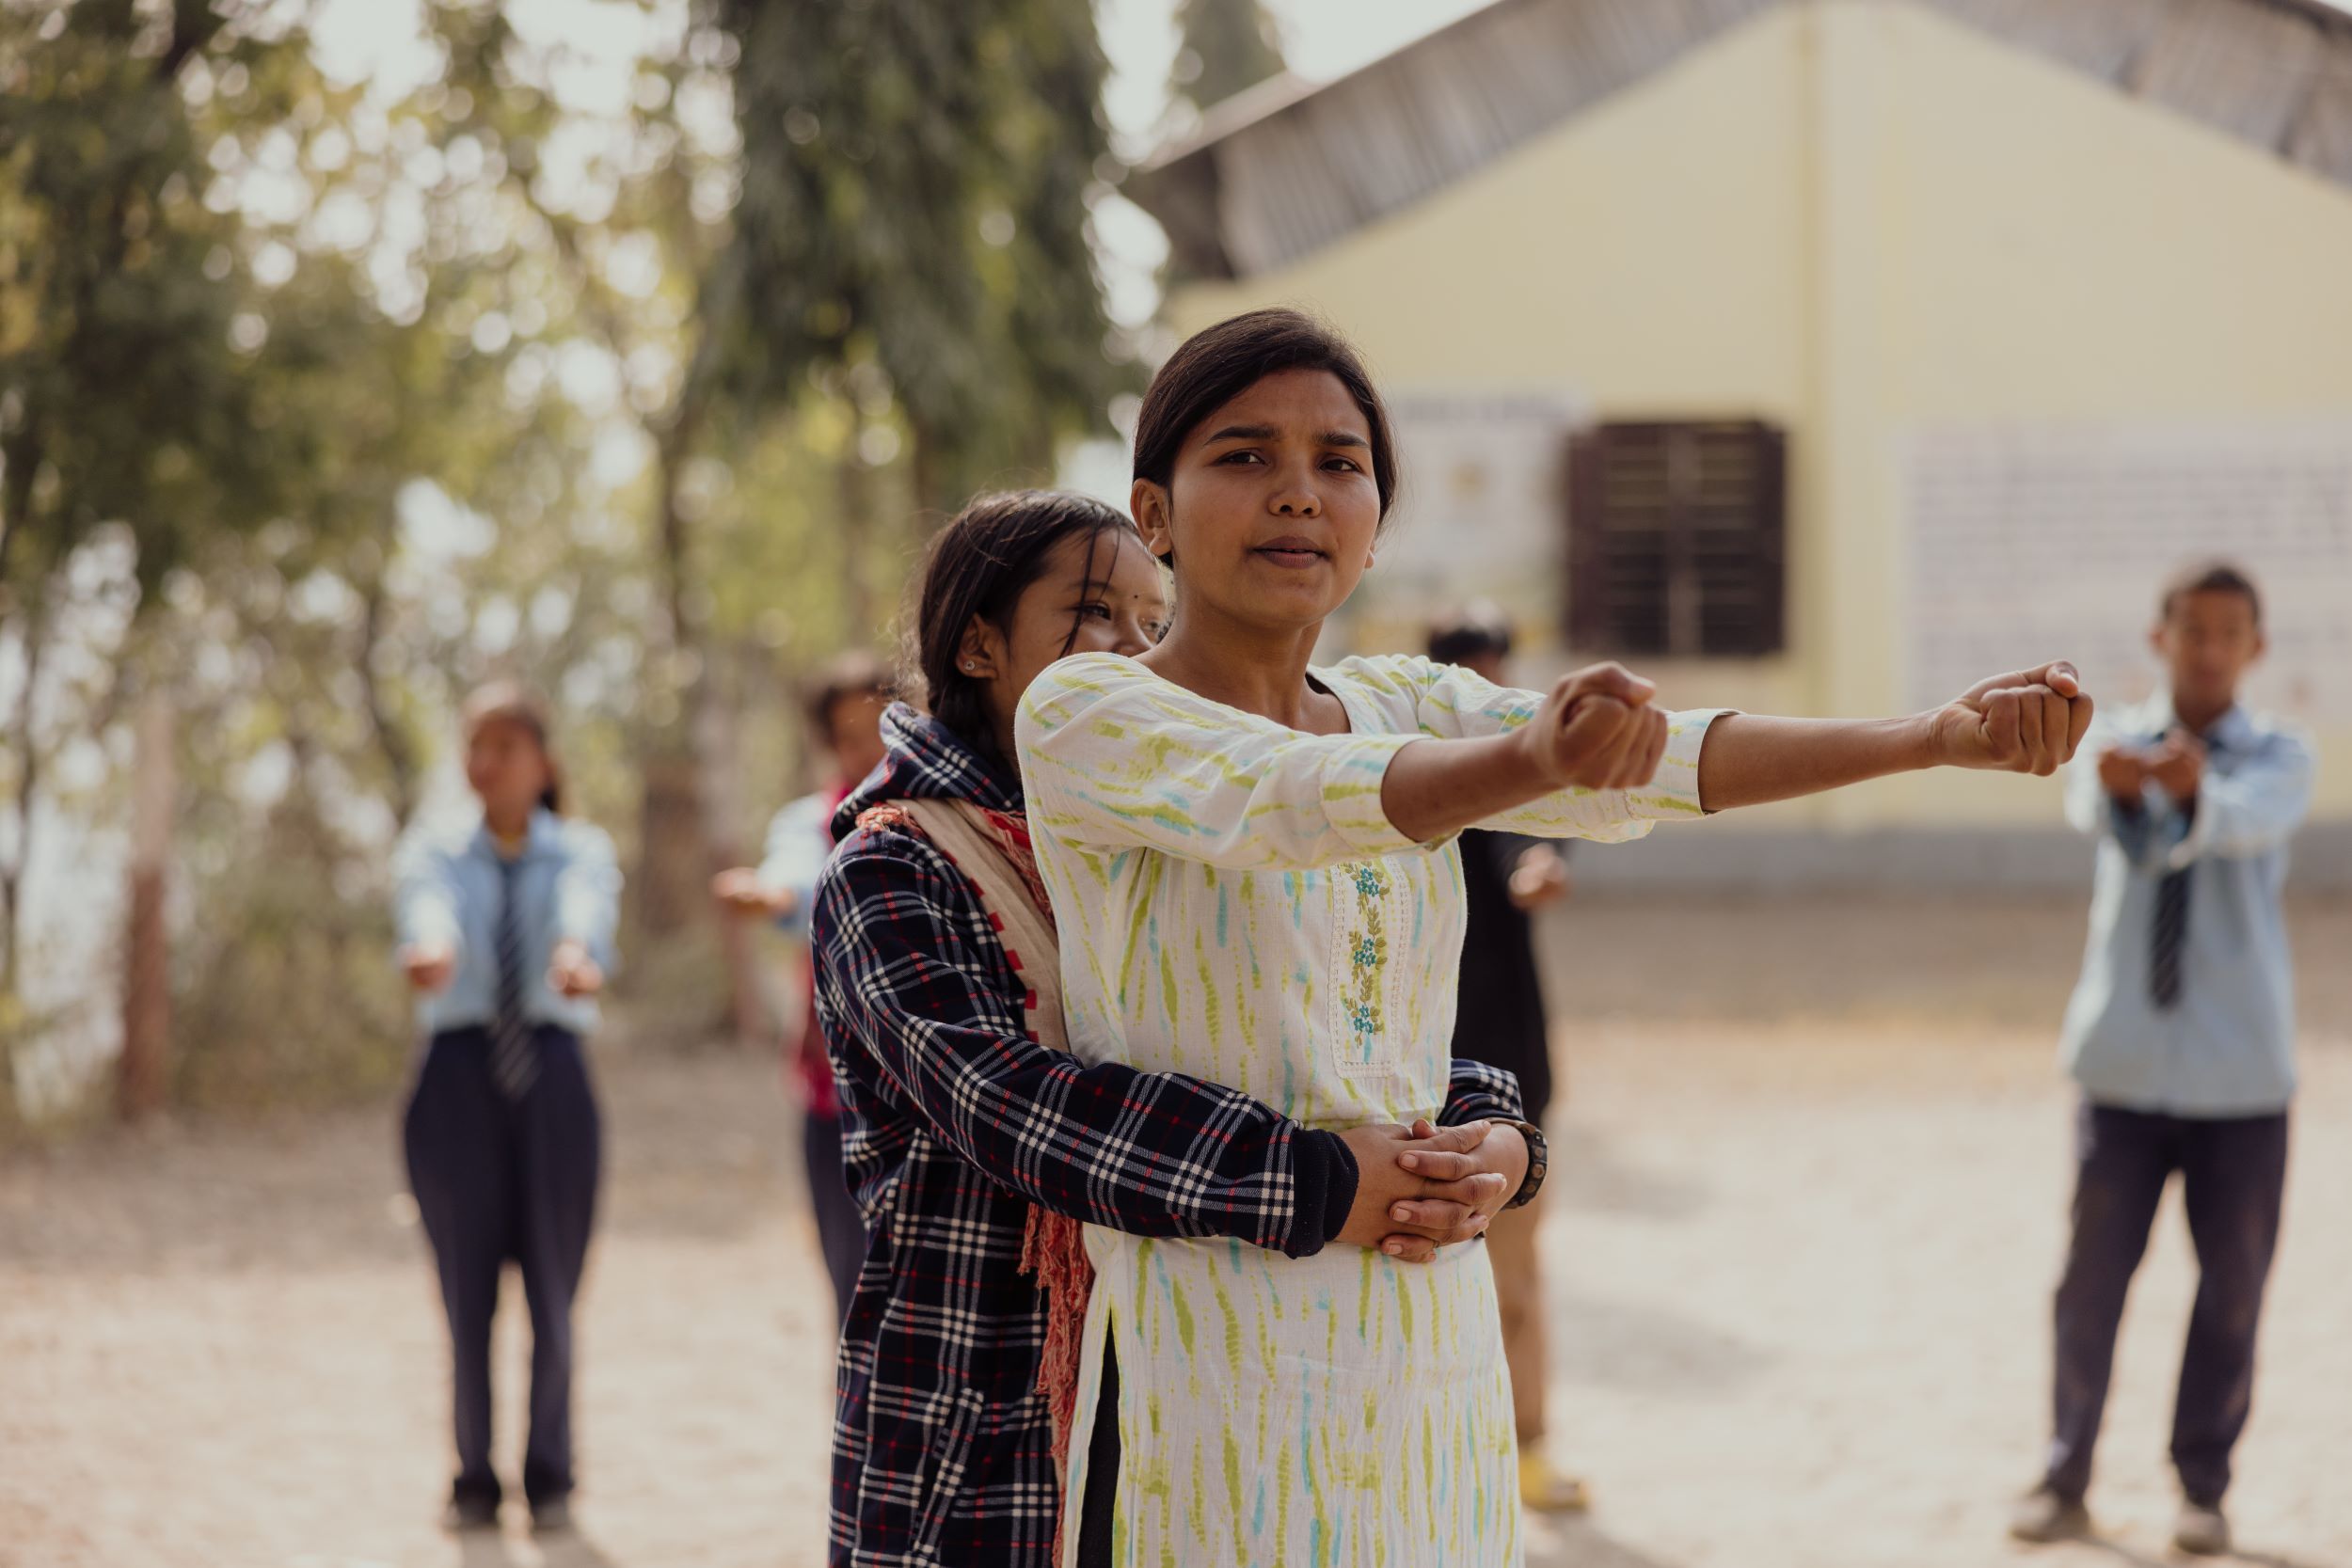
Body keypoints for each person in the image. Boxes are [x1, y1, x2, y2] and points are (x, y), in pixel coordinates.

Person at [1014, 306, 2095, 1567]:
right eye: (1246, 456)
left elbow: (1658, 761)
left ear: (1373, 533)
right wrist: (1530, 754)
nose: (1299, 494)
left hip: (1426, 1358)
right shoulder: (1088, 709)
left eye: (1340, 464)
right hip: (1204, 1374)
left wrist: (1930, 736)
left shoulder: (1406, 699)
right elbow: (1290, 799)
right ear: (1152, 512)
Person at [810, 490, 1539, 1568]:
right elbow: (1018, 1108)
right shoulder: (894, 867)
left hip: (1196, 1406)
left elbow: (1327, 1024)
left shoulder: (1178, 830)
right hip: (992, 1424)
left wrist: (1486, 1132)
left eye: (1151, 622)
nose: (1128, 652)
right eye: (1093, 612)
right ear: (976, 642)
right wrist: (1318, 1177)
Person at [2009, 562, 2314, 1557]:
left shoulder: (2279, 755)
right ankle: (2063, 1471)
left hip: (2241, 1075)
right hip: (2125, 1065)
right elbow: (2096, 814)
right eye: (2192, 630)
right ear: (2160, 636)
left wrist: (2195, 797)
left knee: (2231, 1284)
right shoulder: (2108, 741)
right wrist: (2129, 789)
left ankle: (2202, 1481)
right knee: (2090, 1278)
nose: (2209, 649)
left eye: (2229, 633)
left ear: (2254, 647)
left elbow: (2243, 819)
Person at [394, 681, 621, 1534]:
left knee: (556, 1288)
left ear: (542, 761)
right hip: (453, 1082)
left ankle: (552, 1474)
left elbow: (582, 914)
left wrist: (575, 954)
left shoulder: (582, 850)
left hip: (556, 1081)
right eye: (473, 745)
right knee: (464, 1292)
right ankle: (473, 1478)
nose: (483, 763)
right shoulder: (434, 851)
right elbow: (430, 912)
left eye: (502, 745)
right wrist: (431, 949)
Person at [1428, 603, 1586, 1515]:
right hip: (1407, 1065)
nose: (1485, 681)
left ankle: (1527, 1448)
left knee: (1517, 1275)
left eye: (1495, 664)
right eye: (1469, 667)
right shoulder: (1398, 772)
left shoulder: (1524, 773)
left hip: (1509, 1069)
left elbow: (1534, 838)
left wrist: (1539, 866)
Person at [712, 653, 891, 1323]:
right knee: (850, 1287)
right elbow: (803, 878)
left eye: (879, 727)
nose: (867, 748)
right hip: (834, 1099)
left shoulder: (938, 813)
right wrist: (777, 894)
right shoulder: (809, 824)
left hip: (926, 1100)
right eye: (848, 735)